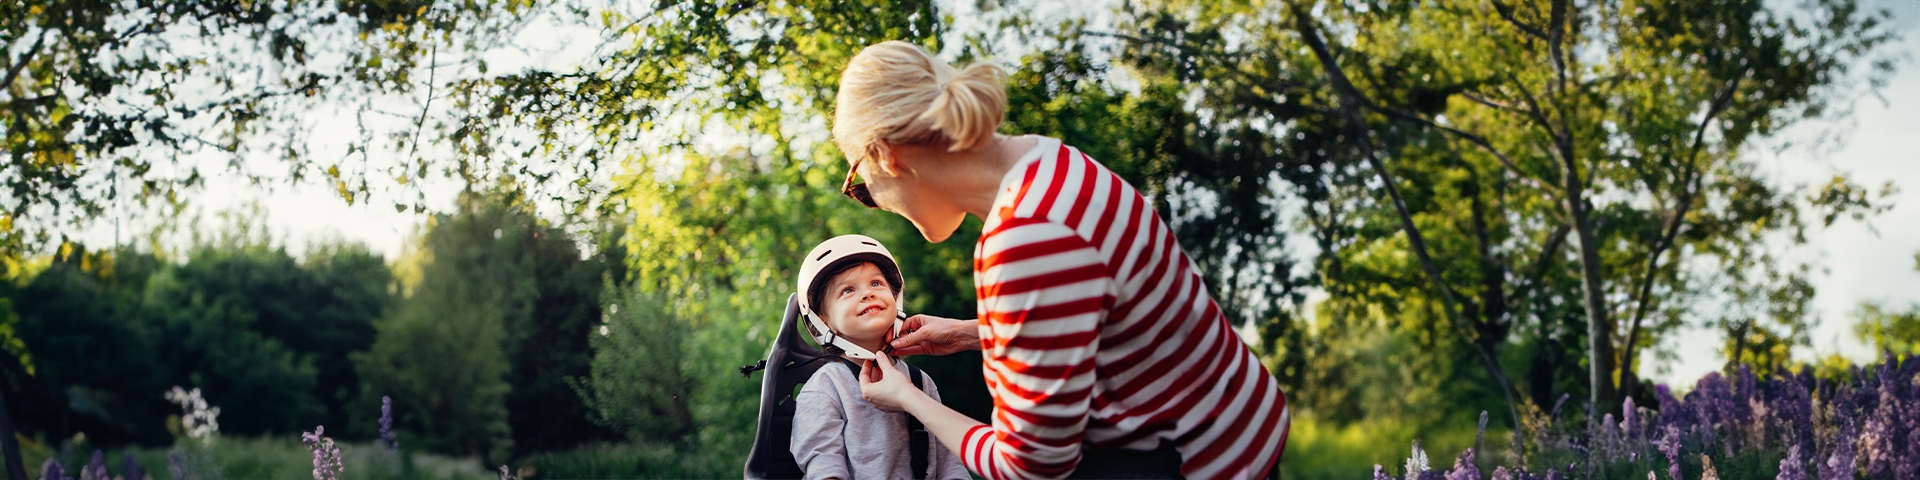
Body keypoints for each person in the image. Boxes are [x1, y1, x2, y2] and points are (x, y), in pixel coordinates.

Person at [829, 41, 1291, 480]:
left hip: (1203, 463)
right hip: (1238, 421)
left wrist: (908, 398)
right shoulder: (1045, 160)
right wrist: (973, 334)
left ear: (887, 155)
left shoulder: (1024, 238)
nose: (874, 202)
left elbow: (1030, 467)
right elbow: (1111, 319)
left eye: (861, 185)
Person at [788, 234, 972, 480]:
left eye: (876, 283)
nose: (867, 294)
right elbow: (823, 465)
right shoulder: (826, 387)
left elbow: (949, 464)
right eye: (848, 290)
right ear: (824, 321)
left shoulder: (919, 381)